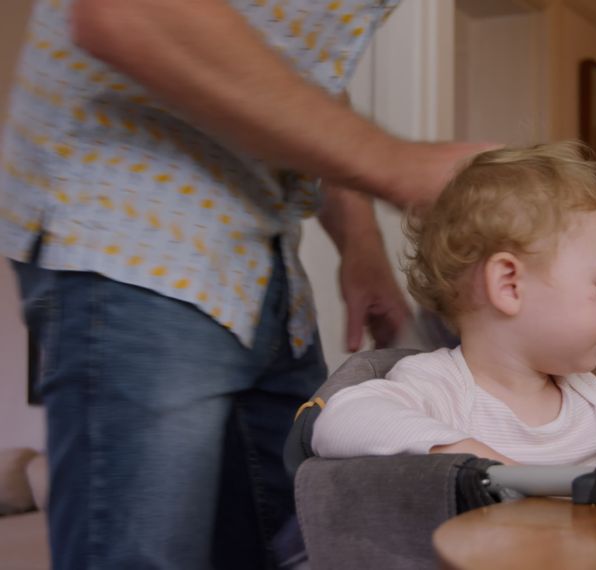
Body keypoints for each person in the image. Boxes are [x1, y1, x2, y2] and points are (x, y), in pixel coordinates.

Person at [0, 0, 492, 568]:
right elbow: (128, 11)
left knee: (299, 543)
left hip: (265, 264)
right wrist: (395, 167)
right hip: (136, 234)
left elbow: (288, 72)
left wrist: (361, 242)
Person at [312, 141, 596, 467]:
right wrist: (464, 453)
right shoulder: (441, 388)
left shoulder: (592, 401)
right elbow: (336, 421)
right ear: (509, 284)